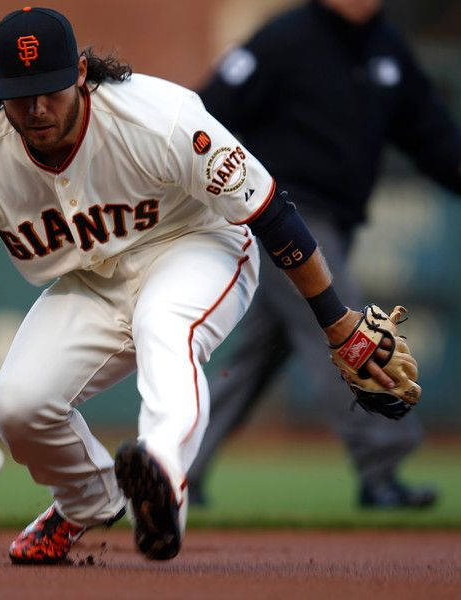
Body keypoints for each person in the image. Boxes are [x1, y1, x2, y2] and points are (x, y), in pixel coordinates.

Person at [0, 6, 405, 564]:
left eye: (51, 89)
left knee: (165, 325)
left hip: (198, 246)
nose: (38, 108)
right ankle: (90, 499)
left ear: (82, 73)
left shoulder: (161, 117)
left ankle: (161, 479)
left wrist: (338, 326)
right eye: (21, 94)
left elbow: (270, 212)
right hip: (91, 282)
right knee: (19, 406)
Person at [187, 0, 461, 508]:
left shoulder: (387, 50)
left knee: (258, 358)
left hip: (336, 221)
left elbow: (434, 137)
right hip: (281, 216)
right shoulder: (285, 39)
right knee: (341, 328)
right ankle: (382, 463)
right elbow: (202, 115)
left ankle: (175, 465)